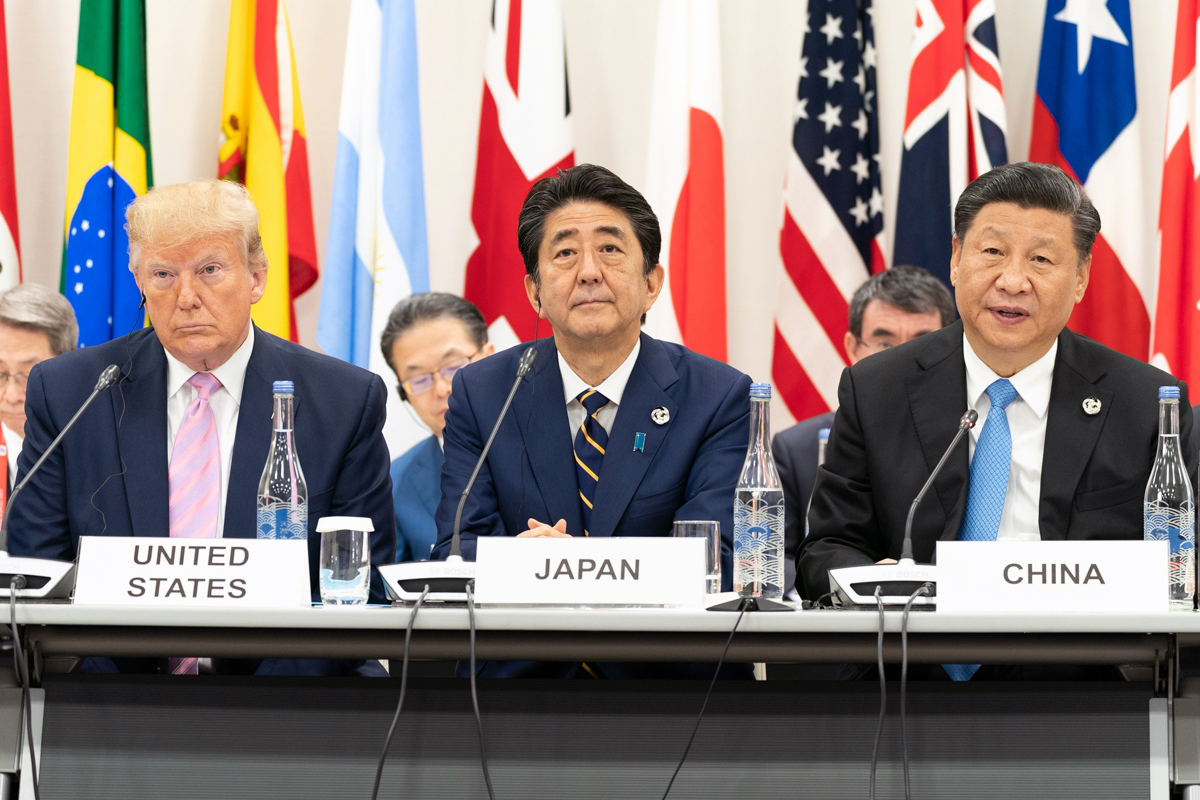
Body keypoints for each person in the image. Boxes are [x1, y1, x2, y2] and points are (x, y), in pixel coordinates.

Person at [7, 180, 395, 675]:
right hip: (109, 707)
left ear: (256, 278)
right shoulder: (73, 392)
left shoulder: (342, 400)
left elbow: (358, 590)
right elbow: (36, 573)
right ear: (139, 281)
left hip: (288, 707)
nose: (186, 296)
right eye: (163, 274)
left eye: (210, 270)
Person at [800, 162, 1194, 634]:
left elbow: (1181, 561)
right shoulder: (876, 389)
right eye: (992, 251)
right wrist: (870, 581)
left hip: (1083, 676)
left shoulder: (1145, 405)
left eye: (1041, 260)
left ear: (1082, 278)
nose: (1012, 281)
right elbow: (826, 548)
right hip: (916, 668)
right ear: (955, 258)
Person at [432, 164, 751, 679]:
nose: (588, 272)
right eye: (564, 253)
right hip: (516, 697)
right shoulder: (484, 392)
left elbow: (720, 559)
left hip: (669, 695)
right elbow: (456, 548)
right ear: (535, 292)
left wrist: (568, 568)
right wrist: (537, 563)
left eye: (610, 249)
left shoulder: (717, 396)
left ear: (651, 283)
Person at [773, 266, 953, 595]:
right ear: (853, 348)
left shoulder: (967, 430)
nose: (904, 359)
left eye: (922, 342)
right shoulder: (793, 448)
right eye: (885, 342)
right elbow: (779, 557)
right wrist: (860, 578)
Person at [379, 292, 493, 563]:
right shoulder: (393, 486)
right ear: (403, 393)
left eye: (454, 367)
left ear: (490, 357)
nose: (442, 389)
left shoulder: (557, 445)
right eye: (418, 380)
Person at [0, 285, 78, 492]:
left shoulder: (100, 453)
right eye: (1, 374)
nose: (10, 395)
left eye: (28, 376)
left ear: (69, 366)